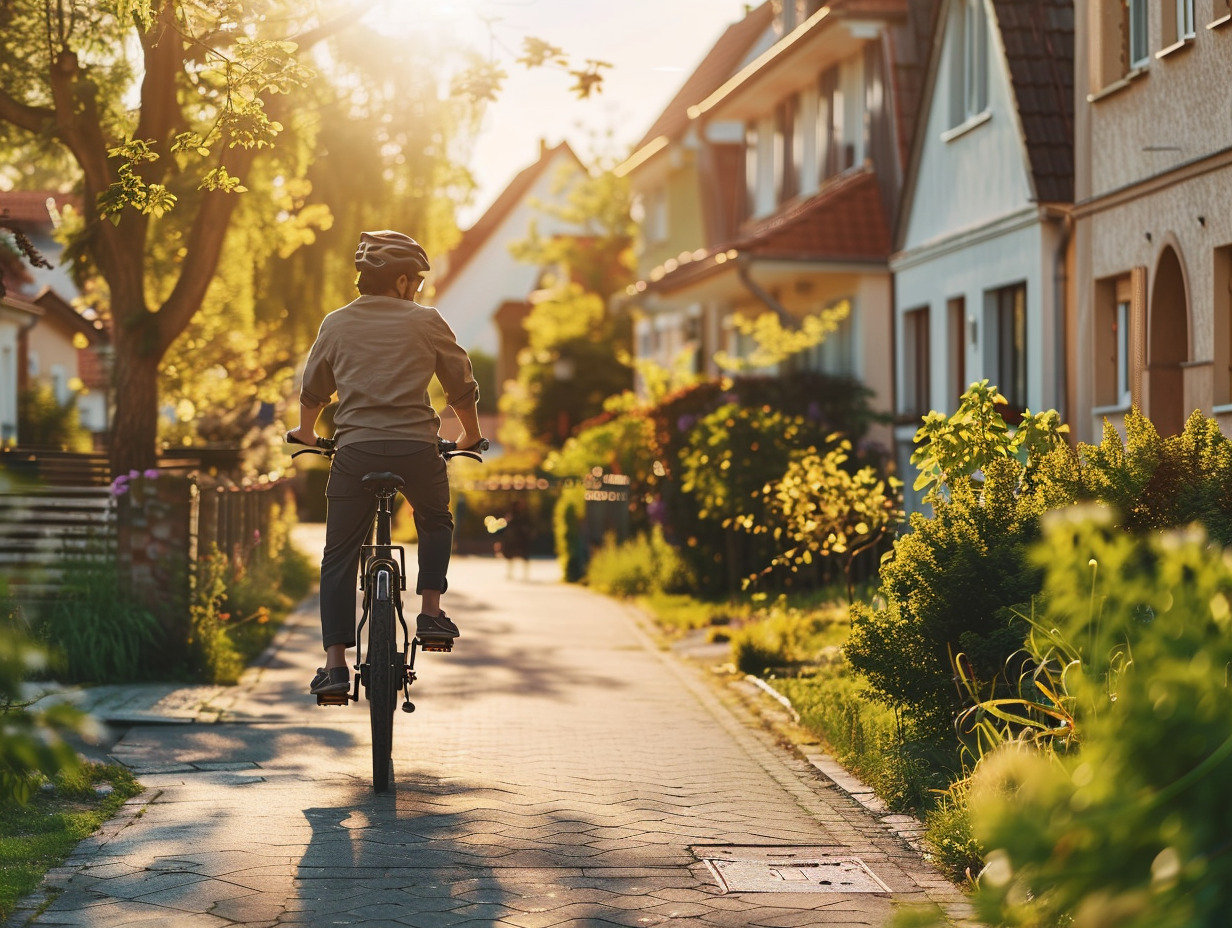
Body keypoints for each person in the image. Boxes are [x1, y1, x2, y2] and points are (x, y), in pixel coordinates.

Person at [287, 230, 484, 697]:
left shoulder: (335, 323)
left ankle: (335, 665)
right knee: (435, 519)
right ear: (399, 281)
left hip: (355, 453)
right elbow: (461, 385)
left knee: (338, 556)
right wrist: (470, 435)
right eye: (414, 280)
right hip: (417, 451)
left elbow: (315, 389)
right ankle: (431, 612)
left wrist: (306, 432)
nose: (416, 289)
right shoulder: (427, 320)